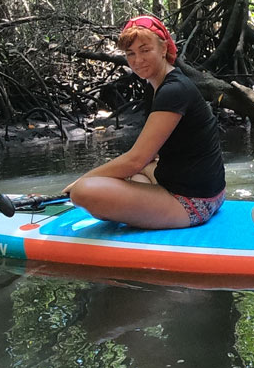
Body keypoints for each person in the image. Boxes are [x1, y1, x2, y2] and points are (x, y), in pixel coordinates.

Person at [65, 15, 226, 228]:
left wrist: (79, 182)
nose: (137, 60)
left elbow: (135, 160)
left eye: (145, 50)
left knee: (83, 192)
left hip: (194, 203)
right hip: (209, 192)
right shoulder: (156, 86)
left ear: (163, 49)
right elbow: (148, 158)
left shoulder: (173, 90)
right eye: (130, 53)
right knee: (136, 173)